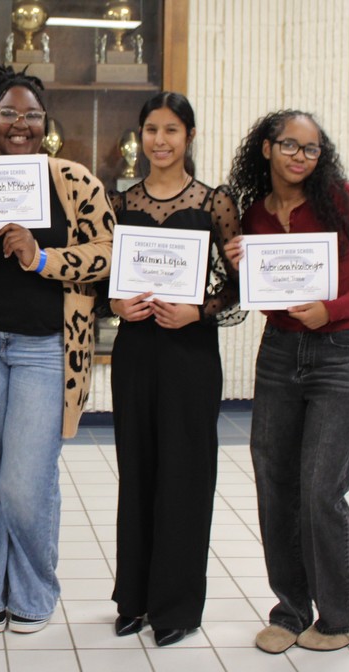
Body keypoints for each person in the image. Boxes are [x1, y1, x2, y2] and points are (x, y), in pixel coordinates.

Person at [0, 65, 114, 634]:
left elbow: (109, 252)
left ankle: (34, 591)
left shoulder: (76, 182)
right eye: (9, 113)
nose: (20, 124)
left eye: (31, 115)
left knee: (25, 479)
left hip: (45, 349)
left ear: (45, 122)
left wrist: (41, 258)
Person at [226, 110, 349, 654]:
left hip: (338, 354)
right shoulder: (255, 215)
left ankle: (345, 615)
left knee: (321, 487)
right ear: (268, 149)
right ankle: (291, 609)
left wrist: (334, 309)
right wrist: (237, 265)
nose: (301, 156)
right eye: (290, 146)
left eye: (312, 149)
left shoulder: (338, 199)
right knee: (275, 485)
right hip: (278, 353)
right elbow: (258, 291)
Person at [106, 92, 242, 647]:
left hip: (190, 354)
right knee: (137, 472)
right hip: (136, 351)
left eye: (171, 130)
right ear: (139, 137)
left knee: (186, 475)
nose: (160, 141)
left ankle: (178, 605)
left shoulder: (216, 203)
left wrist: (199, 308)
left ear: (189, 136)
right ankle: (133, 599)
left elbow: (239, 284)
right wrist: (114, 306)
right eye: (151, 130)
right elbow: (98, 280)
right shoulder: (119, 203)